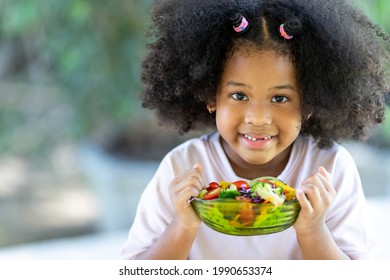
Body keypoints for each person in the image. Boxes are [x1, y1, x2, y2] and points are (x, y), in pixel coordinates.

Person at [121, 0, 389, 259]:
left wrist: (312, 229)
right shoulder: (181, 168)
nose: (258, 118)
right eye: (239, 96)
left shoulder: (330, 170)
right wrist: (182, 226)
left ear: (309, 104)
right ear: (211, 97)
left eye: (280, 98)